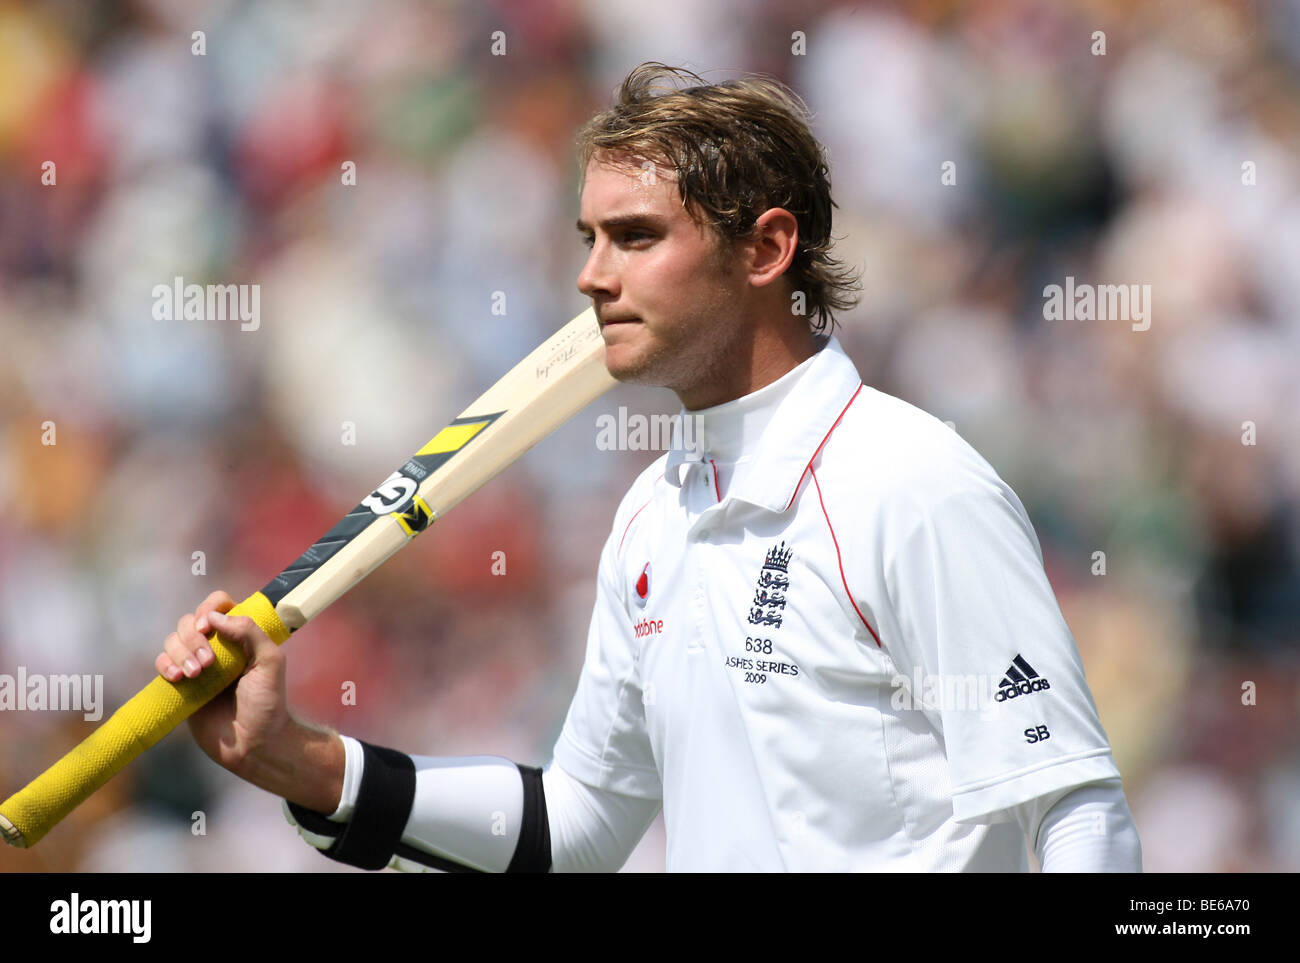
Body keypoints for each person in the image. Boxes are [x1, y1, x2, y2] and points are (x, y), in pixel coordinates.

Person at [155, 63, 1141, 872]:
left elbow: (1077, 815)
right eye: (589, 238)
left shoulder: (912, 487)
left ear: (765, 249)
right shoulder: (651, 516)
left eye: (635, 237)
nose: (590, 275)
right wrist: (299, 762)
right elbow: (580, 828)